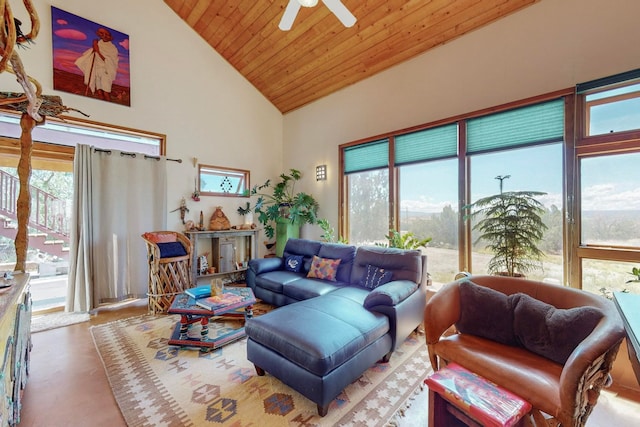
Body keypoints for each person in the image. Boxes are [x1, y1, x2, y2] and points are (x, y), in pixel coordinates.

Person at [75, 27, 119, 101]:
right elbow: (91, 54)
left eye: (106, 34)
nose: (104, 36)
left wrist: (96, 48)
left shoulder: (112, 48)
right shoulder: (99, 43)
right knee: (99, 93)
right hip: (97, 70)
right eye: (101, 33)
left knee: (106, 93)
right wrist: (95, 46)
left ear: (110, 37)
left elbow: (107, 60)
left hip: (106, 71)